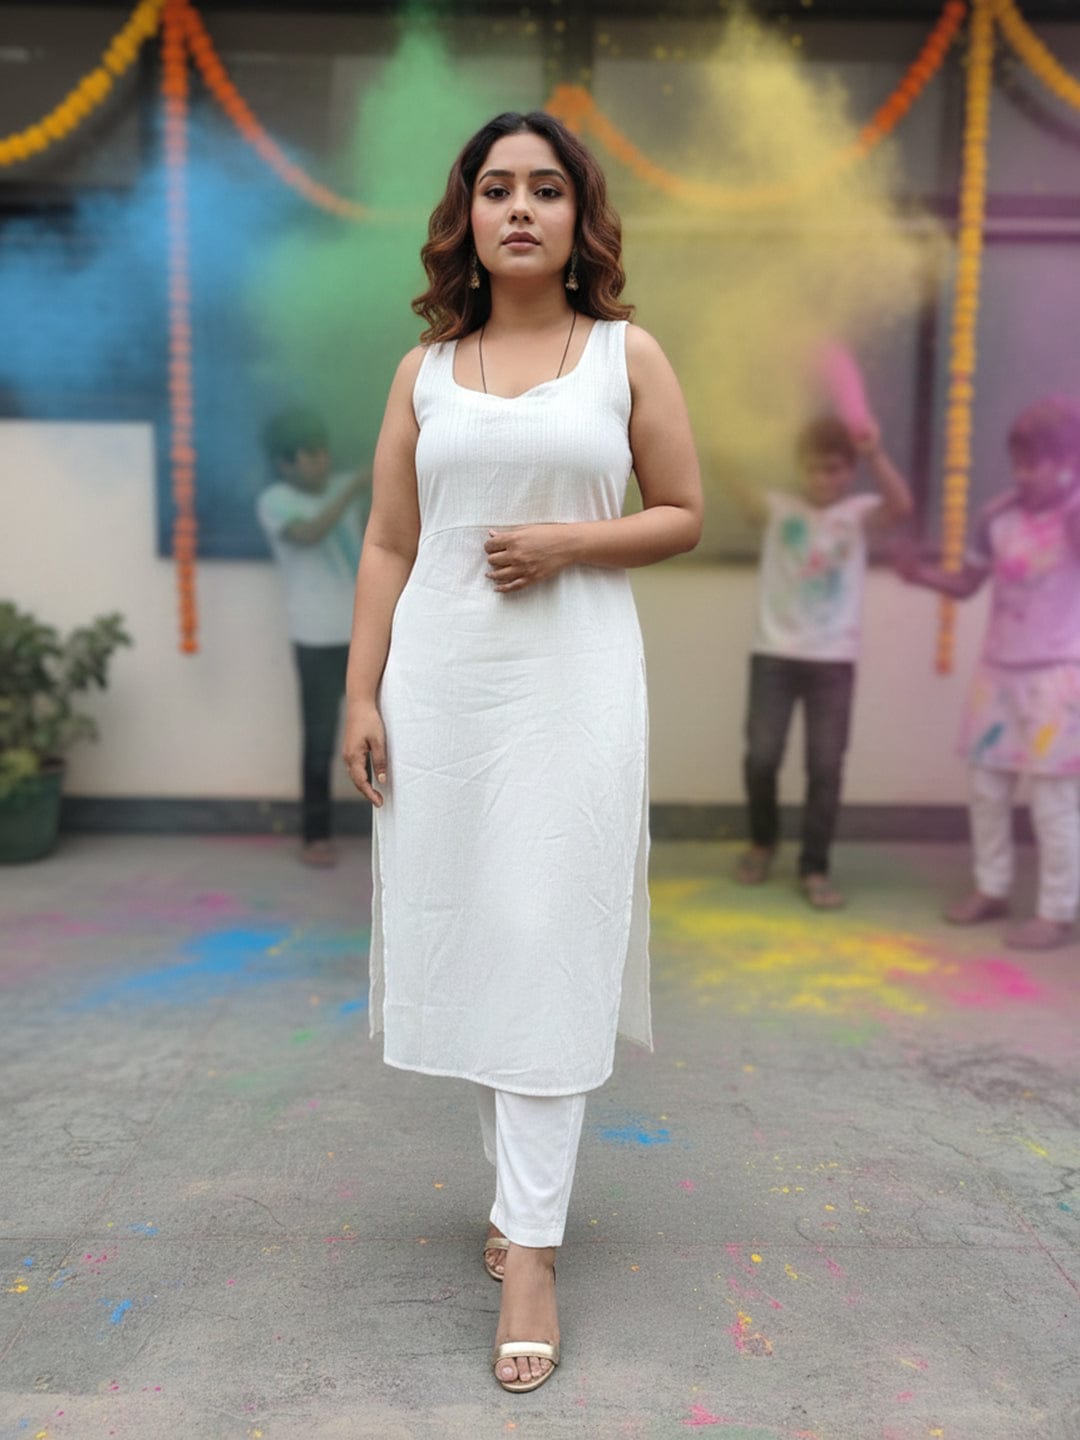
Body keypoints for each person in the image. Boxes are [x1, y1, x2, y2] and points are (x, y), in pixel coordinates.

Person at [341, 111, 703, 1393]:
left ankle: (532, 1253)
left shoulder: (623, 355)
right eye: (497, 188)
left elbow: (683, 512)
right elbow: (390, 542)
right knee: (482, 938)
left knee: (548, 936)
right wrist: (360, 694)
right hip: (443, 693)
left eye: (546, 189)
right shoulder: (424, 372)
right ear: (468, 217)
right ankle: (518, 1199)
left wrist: (566, 544)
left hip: (573, 691)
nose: (521, 209)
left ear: (578, 216)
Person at [898, 397, 1080, 950]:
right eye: (1018, 463)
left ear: (1067, 461)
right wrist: (919, 575)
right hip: (998, 672)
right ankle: (992, 888)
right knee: (986, 786)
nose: (1024, 475)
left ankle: (1057, 912)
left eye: (1037, 463)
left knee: (1054, 798)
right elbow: (968, 583)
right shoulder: (997, 517)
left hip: (1057, 674)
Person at [728, 414, 914, 908]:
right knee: (761, 757)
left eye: (834, 470)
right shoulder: (778, 507)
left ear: (849, 470)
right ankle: (763, 843)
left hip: (833, 660)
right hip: (774, 654)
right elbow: (730, 480)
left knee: (825, 766)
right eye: (813, 469)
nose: (823, 480)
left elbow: (902, 507)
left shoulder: (858, 512)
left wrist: (874, 453)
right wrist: (725, 435)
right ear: (799, 468)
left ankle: (815, 867)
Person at [257, 406, 369, 867]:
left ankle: (395, 833)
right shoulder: (275, 500)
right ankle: (315, 836)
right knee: (320, 740)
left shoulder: (346, 485)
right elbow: (307, 534)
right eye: (310, 455)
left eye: (324, 452)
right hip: (315, 638)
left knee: (387, 733)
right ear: (285, 463)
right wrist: (350, 490)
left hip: (365, 632)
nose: (322, 461)